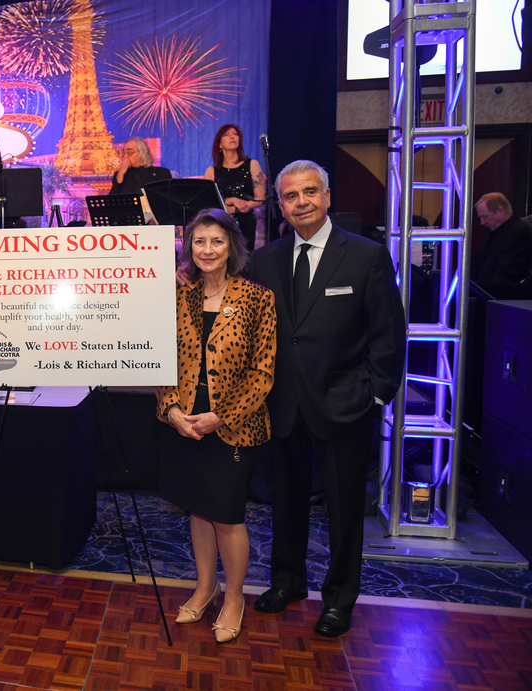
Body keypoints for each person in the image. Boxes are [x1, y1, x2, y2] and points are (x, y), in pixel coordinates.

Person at [250, 160, 406, 637]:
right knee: (286, 504)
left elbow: (389, 332)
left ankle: (339, 599)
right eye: (292, 196)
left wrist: (376, 393)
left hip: (345, 405)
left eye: (310, 192)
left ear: (328, 196)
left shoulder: (366, 256)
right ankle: (289, 582)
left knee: (342, 512)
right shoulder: (266, 260)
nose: (302, 202)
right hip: (283, 406)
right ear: (281, 204)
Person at [156, 208, 276, 644]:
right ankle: (206, 588)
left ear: (233, 248)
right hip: (185, 422)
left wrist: (221, 415)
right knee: (198, 507)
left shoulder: (258, 298)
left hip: (232, 425)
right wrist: (171, 410)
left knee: (226, 515)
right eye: (199, 241)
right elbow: (161, 361)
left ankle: (235, 597)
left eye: (217, 241)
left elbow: (263, 373)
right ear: (190, 247)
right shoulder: (179, 298)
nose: (207, 249)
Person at [204, 124, 265, 251]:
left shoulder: (252, 164)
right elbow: (208, 202)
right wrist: (229, 201)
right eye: (227, 135)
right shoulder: (212, 171)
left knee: (244, 260)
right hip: (221, 222)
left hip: (246, 220)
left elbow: (261, 198)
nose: (232, 137)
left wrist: (244, 206)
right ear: (219, 144)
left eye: (235, 134)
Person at [472, 192, 532, 299]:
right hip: (488, 294)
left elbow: (508, 274)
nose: (482, 222)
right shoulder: (495, 230)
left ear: (500, 211)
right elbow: (480, 261)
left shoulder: (519, 232)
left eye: (485, 217)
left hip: (501, 299)